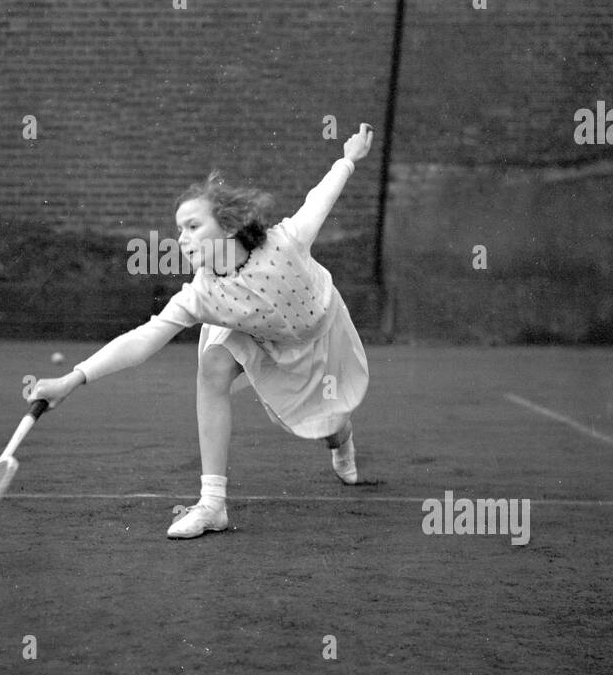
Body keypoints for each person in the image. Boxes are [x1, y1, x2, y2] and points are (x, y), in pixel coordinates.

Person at [30, 123, 373, 539]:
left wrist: (349, 157)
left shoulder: (288, 241)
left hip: (320, 330)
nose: (181, 238)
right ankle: (212, 505)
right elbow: (143, 340)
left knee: (331, 420)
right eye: (179, 230)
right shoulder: (200, 295)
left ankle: (342, 444)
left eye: (193, 226)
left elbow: (322, 194)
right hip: (259, 336)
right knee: (212, 365)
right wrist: (73, 378)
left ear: (227, 226)